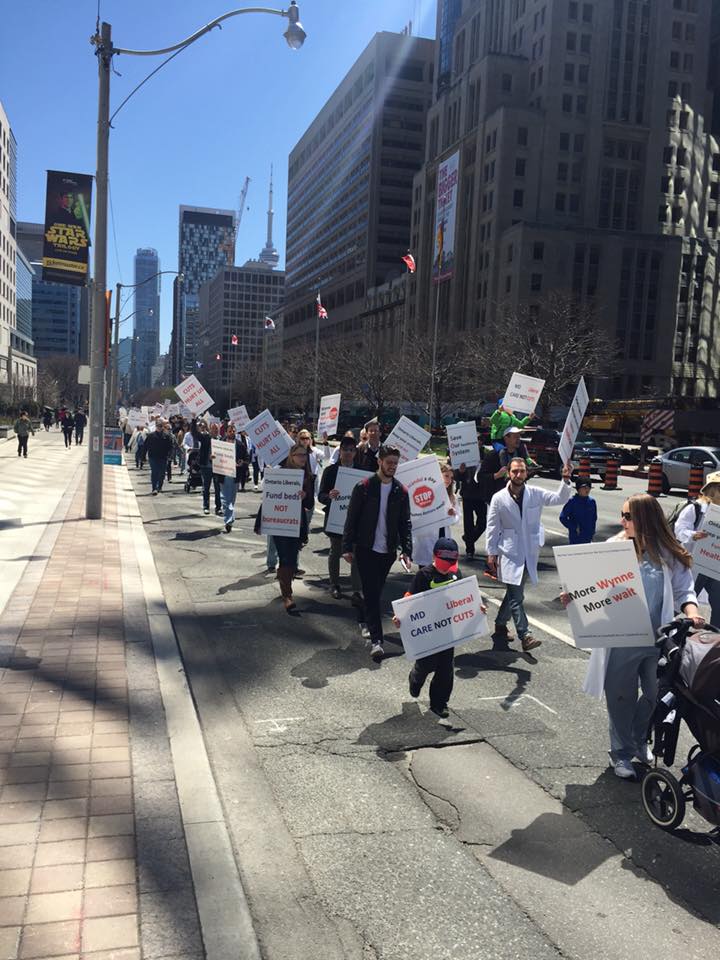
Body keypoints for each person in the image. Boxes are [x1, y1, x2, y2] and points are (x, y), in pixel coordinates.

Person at [574, 494, 704, 780]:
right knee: (621, 698)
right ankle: (621, 753)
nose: (622, 521)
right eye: (622, 515)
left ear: (645, 519)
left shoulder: (669, 551)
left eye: (628, 516)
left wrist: (692, 613)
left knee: (658, 696)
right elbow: (593, 590)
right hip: (621, 638)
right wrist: (574, 595)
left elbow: (685, 590)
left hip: (659, 640)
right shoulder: (614, 548)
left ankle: (636, 741)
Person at [486, 456, 572, 652]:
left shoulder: (535, 493)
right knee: (517, 597)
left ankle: (500, 624)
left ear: (527, 473)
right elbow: (492, 527)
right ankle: (525, 635)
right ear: (508, 473)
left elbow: (560, 498)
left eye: (522, 471)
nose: (518, 474)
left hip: (529, 553)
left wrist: (565, 479)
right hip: (509, 552)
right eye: (515, 471)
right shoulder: (498, 498)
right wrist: (491, 554)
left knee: (514, 593)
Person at [394, 537, 486, 719]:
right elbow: (409, 599)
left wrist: (477, 608)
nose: (447, 568)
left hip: (448, 630)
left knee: (446, 668)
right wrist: (400, 617)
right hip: (427, 629)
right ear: (435, 557)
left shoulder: (455, 575)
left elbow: (464, 598)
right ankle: (416, 677)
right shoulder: (424, 575)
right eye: (445, 563)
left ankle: (439, 702)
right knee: (426, 663)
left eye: (451, 564)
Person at [342, 445, 413, 660]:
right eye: (389, 462)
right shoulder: (363, 487)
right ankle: (377, 641)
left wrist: (406, 550)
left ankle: (363, 615)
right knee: (372, 593)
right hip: (365, 548)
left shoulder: (400, 491)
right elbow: (351, 519)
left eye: (395, 463)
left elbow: (405, 523)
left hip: (387, 550)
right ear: (380, 462)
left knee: (375, 590)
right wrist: (347, 547)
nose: (392, 467)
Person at [255, 443, 313, 612]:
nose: (303, 458)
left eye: (305, 455)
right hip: (280, 522)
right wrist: (260, 522)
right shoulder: (280, 471)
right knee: (285, 556)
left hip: (297, 523)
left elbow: (309, 503)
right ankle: (287, 595)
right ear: (292, 456)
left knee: (291, 557)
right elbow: (269, 497)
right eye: (300, 455)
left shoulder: (307, 476)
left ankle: (284, 583)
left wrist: (305, 495)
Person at [318, 434, 364, 600]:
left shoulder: (361, 472)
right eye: (345, 449)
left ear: (355, 452)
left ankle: (357, 589)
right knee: (335, 551)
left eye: (352, 450)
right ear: (340, 451)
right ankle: (334, 584)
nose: (348, 453)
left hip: (356, 521)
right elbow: (320, 495)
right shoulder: (330, 471)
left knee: (356, 554)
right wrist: (329, 496)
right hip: (336, 519)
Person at [674, 470, 720, 626]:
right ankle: (667, 633)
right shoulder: (695, 508)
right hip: (693, 565)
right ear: (711, 490)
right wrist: (694, 535)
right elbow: (679, 530)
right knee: (683, 601)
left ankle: (715, 641)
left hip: (715, 566)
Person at [412, 462, 459, 567]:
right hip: (427, 536)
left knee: (441, 567)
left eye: (451, 477)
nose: (449, 480)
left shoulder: (452, 497)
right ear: (438, 475)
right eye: (446, 476)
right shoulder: (427, 493)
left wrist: (452, 514)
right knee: (426, 569)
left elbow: (457, 519)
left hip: (443, 536)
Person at [454, 450, 487, 560]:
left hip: (481, 495)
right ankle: (470, 550)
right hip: (468, 494)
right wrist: (461, 472)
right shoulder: (464, 455)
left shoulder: (486, 455)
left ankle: (469, 538)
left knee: (482, 523)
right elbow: (456, 476)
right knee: (468, 523)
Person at [559, 478, 597, 544]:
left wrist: (592, 531)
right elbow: (562, 517)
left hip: (588, 536)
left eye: (589, 487)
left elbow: (594, 518)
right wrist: (573, 527)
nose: (587, 490)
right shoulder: (572, 501)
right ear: (578, 489)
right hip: (576, 536)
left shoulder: (592, 502)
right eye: (584, 488)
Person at [145, 419, 173, 495]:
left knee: (162, 473)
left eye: (161, 426)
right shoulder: (151, 436)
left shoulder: (166, 436)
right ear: (156, 426)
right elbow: (146, 446)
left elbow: (170, 446)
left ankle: (159, 486)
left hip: (163, 457)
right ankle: (154, 488)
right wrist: (143, 456)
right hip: (153, 457)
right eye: (158, 426)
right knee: (154, 472)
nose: (159, 428)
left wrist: (170, 455)